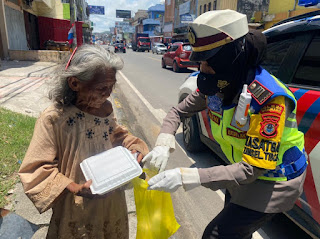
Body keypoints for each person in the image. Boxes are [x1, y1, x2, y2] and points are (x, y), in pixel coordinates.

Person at [144, 10, 308, 239]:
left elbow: (253, 168)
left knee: (216, 235)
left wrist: (186, 177)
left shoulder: (269, 99)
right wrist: (163, 141)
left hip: (273, 179)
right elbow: (178, 111)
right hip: (238, 171)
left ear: (229, 57)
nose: (202, 70)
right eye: (199, 62)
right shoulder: (220, 83)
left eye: (207, 62)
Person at [18, 45, 149, 239]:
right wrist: (76, 188)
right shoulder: (54, 118)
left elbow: (117, 136)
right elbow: (36, 168)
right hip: (75, 206)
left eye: (111, 87)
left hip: (111, 202)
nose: (107, 94)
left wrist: (134, 150)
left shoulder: (105, 109)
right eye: (101, 88)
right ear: (74, 83)